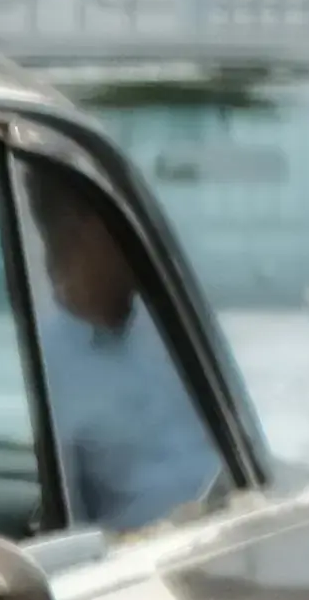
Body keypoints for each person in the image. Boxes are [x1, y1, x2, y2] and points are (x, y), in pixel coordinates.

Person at [24, 179, 233, 531]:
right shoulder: (46, 370)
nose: (144, 239)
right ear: (80, 231)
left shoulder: (182, 330)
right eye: (123, 221)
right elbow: (66, 537)